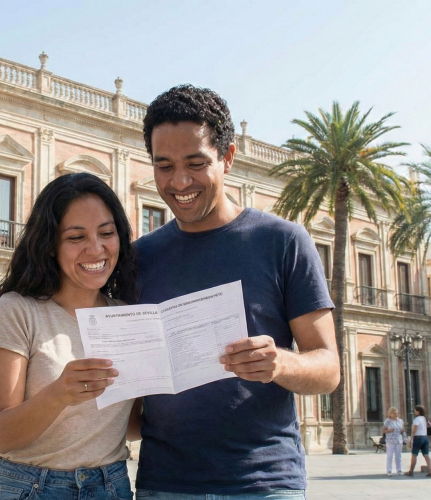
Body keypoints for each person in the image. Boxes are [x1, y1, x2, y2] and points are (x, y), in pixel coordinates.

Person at [133, 84, 339, 497]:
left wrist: (279, 363)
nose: (179, 181)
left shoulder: (284, 242)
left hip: (264, 483)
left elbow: (329, 368)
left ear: (227, 157)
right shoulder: (139, 258)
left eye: (196, 163)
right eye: (164, 166)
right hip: (165, 485)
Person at [0, 173, 139, 500]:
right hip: (32, 487)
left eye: (107, 233)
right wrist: (58, 394)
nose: (96, 248)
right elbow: (2, 436)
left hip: (112, 486)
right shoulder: (17, 310)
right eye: (76, 237)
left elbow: (131, 426)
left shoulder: (127, 316)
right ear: (50, 245)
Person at [404, 405, 431, 477]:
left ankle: (411, 471)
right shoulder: (425, 419)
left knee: (414, 454)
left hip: (418, 438)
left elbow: (414, 430)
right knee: (426, 455)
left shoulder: (417, 419)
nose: (414, 412)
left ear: (418, 411)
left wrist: (411, 439)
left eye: (415, 410)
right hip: (425, 437)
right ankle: (430, 471)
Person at [382, 407, 405, 476]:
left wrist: (402, 430)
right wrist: (389, 430)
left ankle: (399, 469)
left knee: (398, 456)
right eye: (394, 413)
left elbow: (403, 430)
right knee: (390, 456)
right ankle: (389, 470)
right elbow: (383, 430)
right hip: (390, 440)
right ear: (390, 414)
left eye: (397, 413)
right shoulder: (387, 421)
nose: (396, 414)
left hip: (399, 440)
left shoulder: (400, 421)